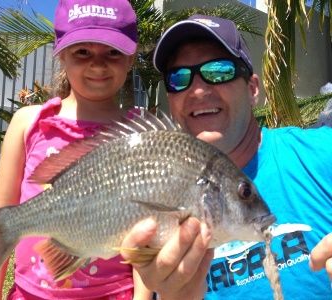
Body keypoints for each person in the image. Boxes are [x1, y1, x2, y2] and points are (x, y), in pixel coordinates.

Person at [0, 0, 212, 299]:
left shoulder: (143, 136)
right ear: (62, 54)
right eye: (82, 52)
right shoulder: (29, 122)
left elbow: (148, 235)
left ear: (130, 59)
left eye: (113, 52)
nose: (98, 64)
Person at [122, 14, 332, 299]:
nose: (197, 90)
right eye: (179, 78)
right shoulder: (153, 198)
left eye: (219, 71)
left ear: (253, 88)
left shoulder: (321, 153)